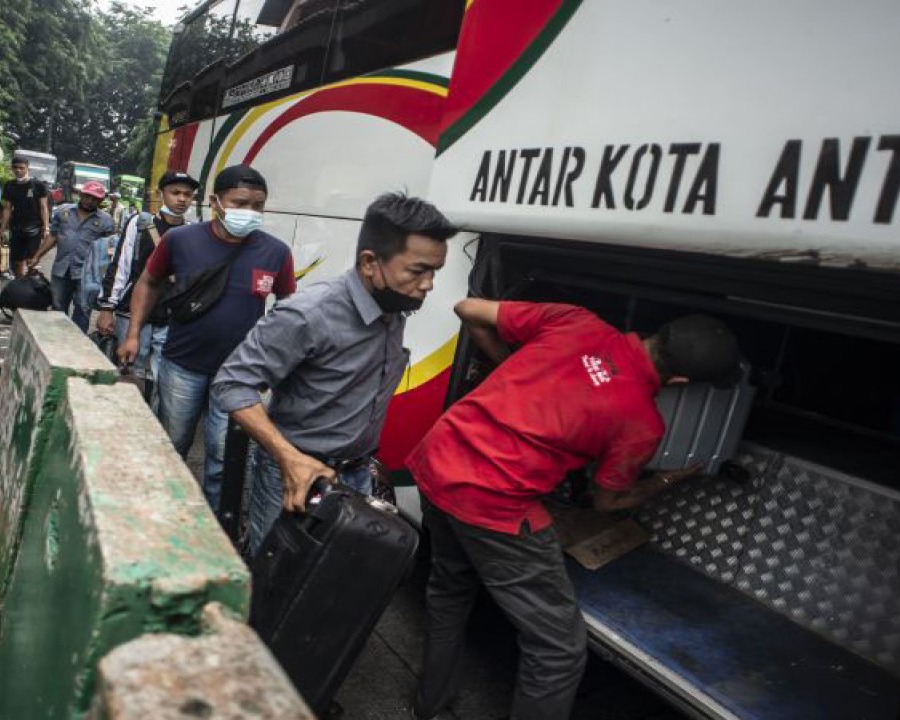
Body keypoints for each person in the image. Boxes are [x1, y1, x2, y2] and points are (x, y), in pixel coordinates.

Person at [405, 301, 742, 720]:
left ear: (659, 332)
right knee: (557, 651)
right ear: (680, 381)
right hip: (492, 502)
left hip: (439, 457)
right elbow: (607, 502)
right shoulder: (640, 423)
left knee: (450, 590)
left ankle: (428, 705)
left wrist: (512, 367)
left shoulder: (577, 322)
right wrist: (669, 480)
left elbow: (468, 308)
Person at [215, 192, 457, 552]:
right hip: (297, 473)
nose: (428, 284)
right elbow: (232, 384)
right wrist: (289, 458)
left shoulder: (394, 306)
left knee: (331, 576)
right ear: (370, 263)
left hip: (356, 475)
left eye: (434, 272)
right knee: (278, 574)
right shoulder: (308, 313)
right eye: (417, 271)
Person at [120, 164, 295, 513]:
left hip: (238, 375)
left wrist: (276, 356)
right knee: (172, 445)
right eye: (240, 203)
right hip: (181, 366)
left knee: (223, 459)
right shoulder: (181, 241)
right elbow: (149, 282)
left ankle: (217, 526)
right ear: (215, 202)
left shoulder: (276, 252)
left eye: (257, 205)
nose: (249, 212)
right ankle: (160, 513)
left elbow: (288, 304)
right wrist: (133, 334)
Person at [96, 170, 199, 396]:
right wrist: (107, 308)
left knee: (164, 379)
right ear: (161, 194)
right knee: (128, 372)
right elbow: (121, 265)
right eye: (175, 193)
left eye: (187, 194)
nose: (182, 199)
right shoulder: (140, 224)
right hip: (132, 314)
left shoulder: (193, 232)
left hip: (170, 317)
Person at [27, 180, 115, 331]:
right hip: (61, 270)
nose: (90, 201)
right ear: (80, 194)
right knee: (57, 307)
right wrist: (37, 256)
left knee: (83, 309)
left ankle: (77, 340)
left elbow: (109, 249)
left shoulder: (106, 221)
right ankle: (56, 339)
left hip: (87, 275)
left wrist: (105, 274)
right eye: (87, 196)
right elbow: (53, 236)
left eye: (95, 199)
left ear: (101, 201)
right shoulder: (63, 212)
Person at [0, 155, 51, 278]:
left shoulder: (38, 185)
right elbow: (7, 208)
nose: (18, 170)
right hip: (16, 227)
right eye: (15, 167)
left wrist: (46, 227)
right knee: (17, 261)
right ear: (12, 169)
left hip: (34, 228)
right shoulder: (9, 185)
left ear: (28, 169)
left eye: (21, 168)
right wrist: (2, 228)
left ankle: (31, 284)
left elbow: (44, 207)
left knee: (31, 260)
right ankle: (19, 283)